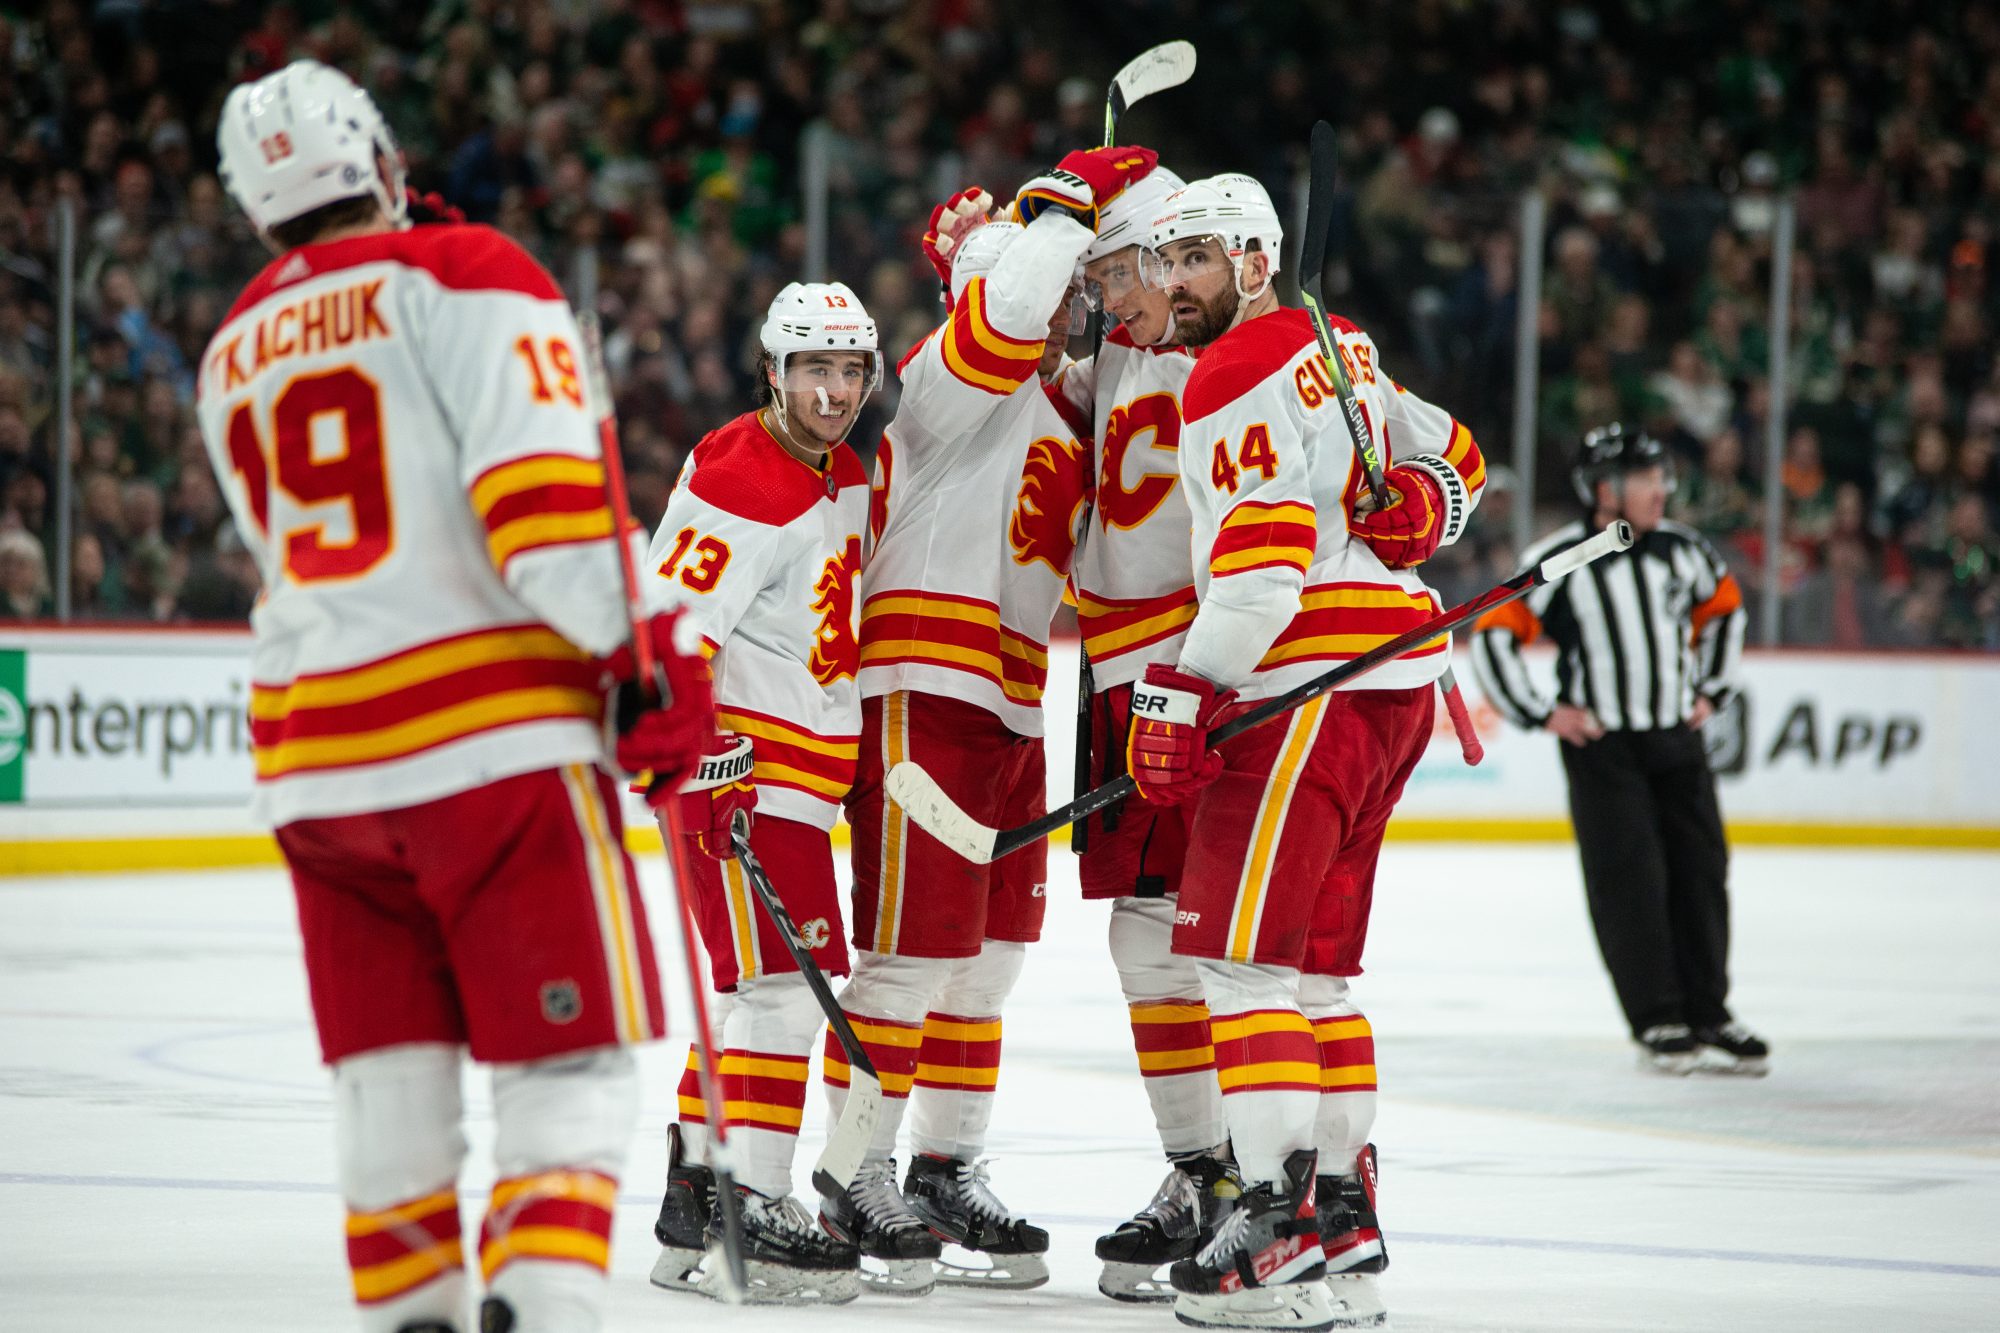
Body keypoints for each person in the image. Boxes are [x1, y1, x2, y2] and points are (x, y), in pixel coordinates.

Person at [196, 61, 713, 1333]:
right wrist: (649, 657)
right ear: (380, 161)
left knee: (387, 1082)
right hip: (492, 748)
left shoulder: (227, 351)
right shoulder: (470, 270)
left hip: (317, 762)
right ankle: (536, 1309)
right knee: (571, 1066)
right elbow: (546, 523)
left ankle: (409, 1316)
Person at [1133, 172, 1487, 1331]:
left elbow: (1265, 555)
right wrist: (1426, 503)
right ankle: (1343, 1221)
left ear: (1249, 262)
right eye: (1162, 261)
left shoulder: (1234, 372)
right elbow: (1459, 458)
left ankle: (1277, 1229)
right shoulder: (1345, 348)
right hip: (1391, 688)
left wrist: (1183, 688)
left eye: (1191, 261)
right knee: (1319, 979)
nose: (1167, 283)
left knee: (1238, 971)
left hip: (1304, 688)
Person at [822, 146, 1148, 1291]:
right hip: (922, 685)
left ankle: (941, 1168)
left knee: (991, 960)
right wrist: (1053, 197)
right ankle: (848, 1171)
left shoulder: (1065, 404)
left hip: (1010, 699)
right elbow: (1007, 309)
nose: (1075, 302)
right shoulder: (956, 379)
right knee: (910, 956)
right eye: (1061, 281)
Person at [644, 280, 878, 1304]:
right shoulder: (741, 472)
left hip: (797, 780)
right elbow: (673, 628)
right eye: (813, 369)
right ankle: (758, 1204)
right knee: (784, 992)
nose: (834, 390)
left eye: (850, 370)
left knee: (752, 995)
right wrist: (707, 761)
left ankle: (696, 1197)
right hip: (745, 777)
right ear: (771, 371)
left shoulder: (843, 468)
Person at [1039, 151, 1246, 1302]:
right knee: (1145, 938)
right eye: (1098, 275)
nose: (1108, 296)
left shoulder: (1233, 340)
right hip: (1117, 668)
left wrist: (1429, 490)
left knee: (1209, 939)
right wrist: (980, 280)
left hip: (1192, 661)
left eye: (1120, 269)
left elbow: (1416, 441)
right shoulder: (1118, 347)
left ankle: (1249, 1181)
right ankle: (1205, 1172)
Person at [1470, 424, 1768, 1076]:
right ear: (1604, 488)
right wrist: (1542, 712)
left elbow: (1725, 610)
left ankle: (1710, 1011)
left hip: (1675, 741)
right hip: (1604, 748)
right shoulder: (1565, 555)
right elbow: (1494, 630)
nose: (1662, 488)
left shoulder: (1683, 551)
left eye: (1662, 475)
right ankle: (1658, 1015)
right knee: (1629, 880)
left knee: (1701, 872)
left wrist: (1711, 692)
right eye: (1646, 477)